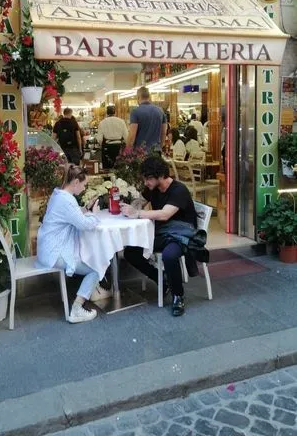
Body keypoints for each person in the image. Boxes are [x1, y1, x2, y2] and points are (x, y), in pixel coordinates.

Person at [120, 156, 207, 316]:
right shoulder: (153, 188)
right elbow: (141, 200)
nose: (146, 182)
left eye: (149, 179)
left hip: (182, 235)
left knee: (169, 256)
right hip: (163, 234)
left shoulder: (178, 190)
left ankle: (178, 296)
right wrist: (133, 205)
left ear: (160, 176)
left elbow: (165, 214)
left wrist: (138, 213)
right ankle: (162, 279)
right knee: (130, 252)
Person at [36, 165, 111, 323]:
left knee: (92, 260)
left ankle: (81, 303)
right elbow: (84, 224)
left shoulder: (59, 194)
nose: (84, 189)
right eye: (83, 185)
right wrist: (95, 214)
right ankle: (77, 309)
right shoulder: (66, 200)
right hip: (54, 252)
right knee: (96, 267)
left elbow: (71, 216)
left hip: (48, 248)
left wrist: (85, 209)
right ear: (76, 182)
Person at [127, 87, 168, 151]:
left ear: (138, 97)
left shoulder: (135, 112)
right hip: (156, 151)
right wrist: (160, 147)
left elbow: (132, 136)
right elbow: (164, 132)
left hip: (140, 153)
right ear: (149, 97)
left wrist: (127, 152)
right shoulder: (160, 111)